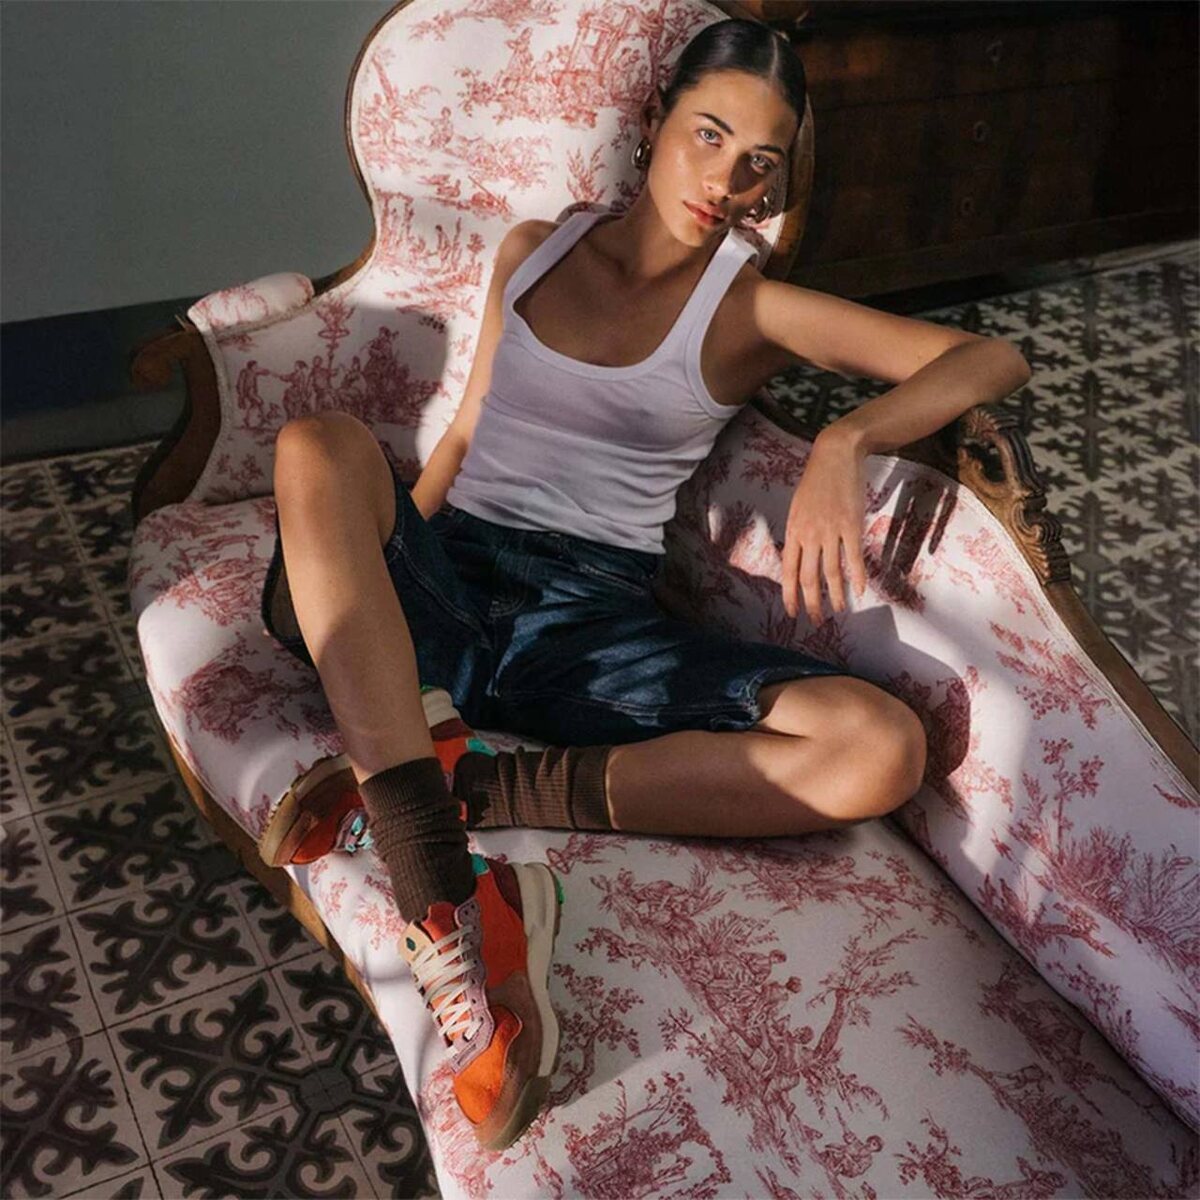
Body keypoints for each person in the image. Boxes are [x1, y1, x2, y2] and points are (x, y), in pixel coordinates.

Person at [258, 18, 1031, 1152]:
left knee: (879, 748)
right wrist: (370, 578)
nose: (728, 180)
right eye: (709, 135)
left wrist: (847, 440)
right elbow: (463, 436)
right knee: (318, 448)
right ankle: (445, 900)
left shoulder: (745, 306)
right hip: (443, 578)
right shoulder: (534, 250)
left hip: (586, 623)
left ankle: (458, 789)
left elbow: (990, 358)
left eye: (761, 162)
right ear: (657, 121)